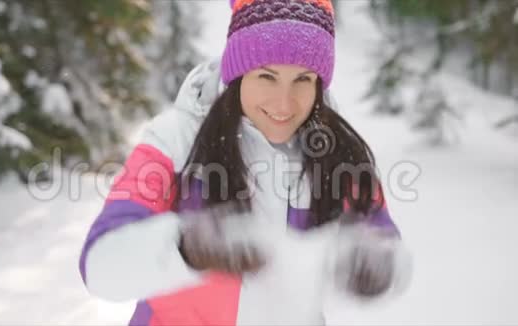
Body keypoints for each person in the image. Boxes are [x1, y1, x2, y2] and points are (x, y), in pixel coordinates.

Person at [79, 0, 411, 325]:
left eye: (303, 80)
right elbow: (100, 268)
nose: (284, 103)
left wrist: (375, 263)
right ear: (238, 73)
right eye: (267, 77)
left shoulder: (337, 154)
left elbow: (384, 240)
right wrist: (186, 246)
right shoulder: (175, 141)